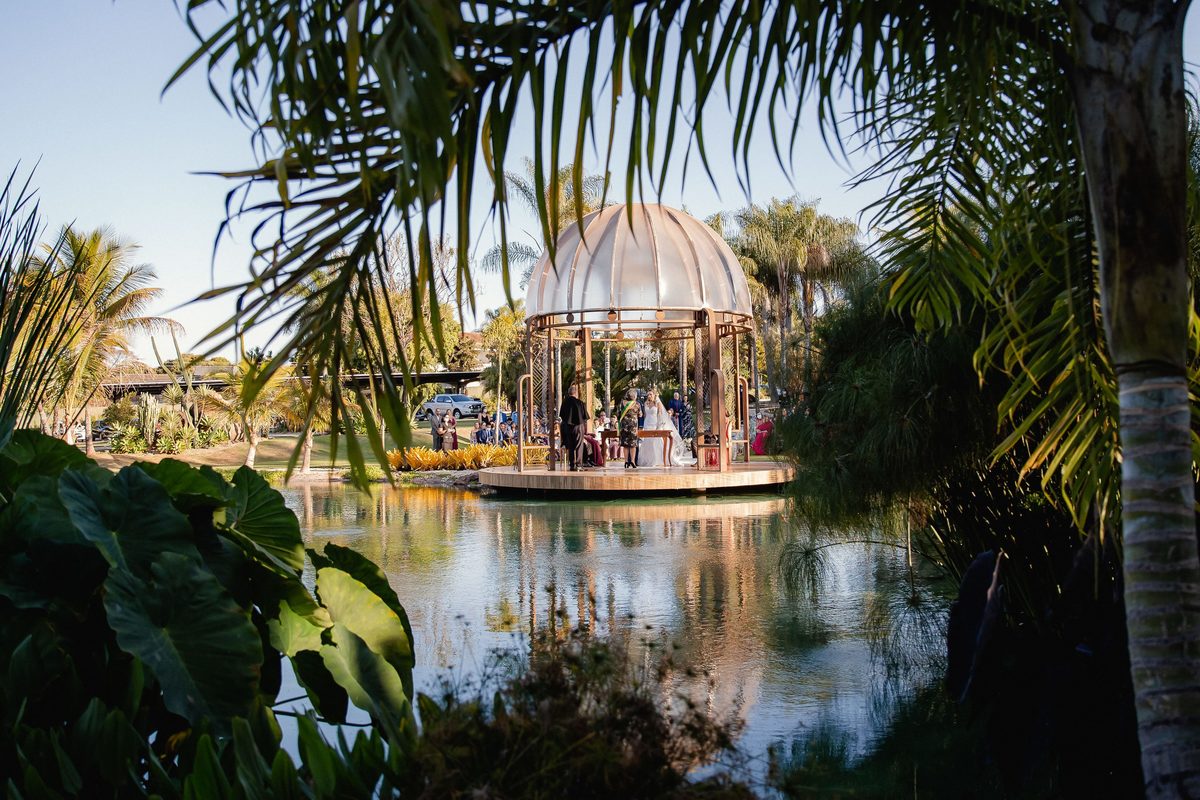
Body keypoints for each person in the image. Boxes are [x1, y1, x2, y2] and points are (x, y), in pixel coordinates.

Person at [639, 389, 697, 467]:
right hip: (647, 424)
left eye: (650, 394)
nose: (649, 396)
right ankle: (648, 460)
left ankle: (657, 460)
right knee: (647, 442)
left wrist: (659, 425)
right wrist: (643, 425)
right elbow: (645, 415)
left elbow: (660, 415)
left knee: (655, 442)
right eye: (648, 394)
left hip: (654, 423)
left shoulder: (657, 403)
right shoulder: (645, 403)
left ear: (654, 395)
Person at [558, 384, 590, 471]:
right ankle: (579, 465)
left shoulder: (564, 403)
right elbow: (585, 417)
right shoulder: (580, 403)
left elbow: (562, 415)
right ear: (575, 393)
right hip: (578, 426)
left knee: (571, 446)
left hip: (568, 427)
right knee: (579, 445)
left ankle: (572, 465)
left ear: (569, 393)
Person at [618, 388, 642, 469]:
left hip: (624, 427)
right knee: (633, 445)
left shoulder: (622, 403)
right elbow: (640, 415)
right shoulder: (637, 404)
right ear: (634, 396)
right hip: (633, 427)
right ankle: (632, 461)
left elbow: (618, 414)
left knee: (625, 445)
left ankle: (625, 461)